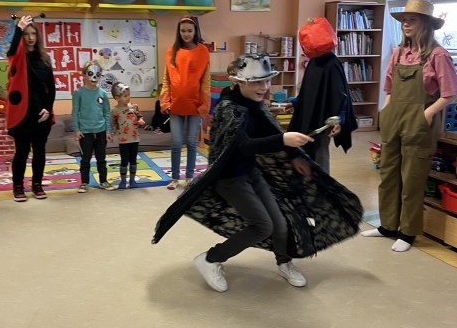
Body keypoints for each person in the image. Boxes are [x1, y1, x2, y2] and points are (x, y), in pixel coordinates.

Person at [153, 53, 364, 293]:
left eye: (266, 80)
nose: (264, 87)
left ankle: (284, 262)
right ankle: (210, 259)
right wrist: (283, 140)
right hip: (229, 179)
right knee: (262, 226)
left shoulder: (254, 105)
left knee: (280, 223)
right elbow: (242, 145)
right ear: (238, 82)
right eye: (256, 82)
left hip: (252, 173)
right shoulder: (228, 109)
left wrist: (294, 155)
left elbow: (267, 130)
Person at [362, 0, 457, 252]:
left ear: (426, 24)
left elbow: (451, 92)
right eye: (404, 20)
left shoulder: (438, 55)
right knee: (387, 174)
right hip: (393, 118)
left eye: (412, 20)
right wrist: (386, 110)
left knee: (412, 178)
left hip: (419, 121)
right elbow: (389, 87)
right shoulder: (398, 53)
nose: (406, 24)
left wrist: (427, 113)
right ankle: (387, 226)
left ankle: (407, 232)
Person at [289, 17, 358, 174]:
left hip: (324, 119)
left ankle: (323, 183)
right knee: (307, 149)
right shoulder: (313, 63)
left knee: (319, 152)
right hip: (310, 115)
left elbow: (340, 95)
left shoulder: (332, 64)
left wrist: (339, 119)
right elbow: (310, 91)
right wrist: (296, 102)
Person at [6, 14, 55, 202]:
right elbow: (12, 51)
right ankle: (18, 187)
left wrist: (48, 109)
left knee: (40, 151)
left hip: (41, 114)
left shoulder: (44, 59)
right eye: (26, 34)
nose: (30, 37)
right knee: (22, 152)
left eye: (33, 33)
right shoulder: (17, 58)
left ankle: (37, 185)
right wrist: (18, 28)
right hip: (22, 115)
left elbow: (51, 88)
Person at [160, 17, 210, 190]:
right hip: (176, 105)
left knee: (191, 142)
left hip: (195, 105)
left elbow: (205, 81)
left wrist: (204, 105)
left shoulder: (202, 51)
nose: (186, 34)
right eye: (183, 31)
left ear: (195, 31)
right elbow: (166, 79)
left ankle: (189, 177)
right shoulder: (171, 50)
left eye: (189, 30)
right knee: (176, 142)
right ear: (178, 32)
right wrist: (165, 102)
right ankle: (175, 178)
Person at [72, 60, 113, 193]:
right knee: (85, 159)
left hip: (101, 131)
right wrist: (77, 129)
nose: (94, 77)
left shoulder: (103, 93)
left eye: (97, 74)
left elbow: (107, 113)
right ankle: (84, 182)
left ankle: (103, 181)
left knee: (101, 159)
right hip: (85, 132)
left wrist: (108, 130)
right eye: (90, 73)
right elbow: (75, 112)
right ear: (84, 75)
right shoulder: (79, 93)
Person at [111, 82, 145, 189]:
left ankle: (132, 180)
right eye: (125, 96)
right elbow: (113, 124)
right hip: (123, 140)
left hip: (134, 139)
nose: (128, 97)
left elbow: (140, 117)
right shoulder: (114, 111)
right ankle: (123, 181)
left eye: (129, 95)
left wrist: (141, 121)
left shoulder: (134, 107)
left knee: (133, 160)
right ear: (117, 98)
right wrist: (111, 133)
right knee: (124, 161)